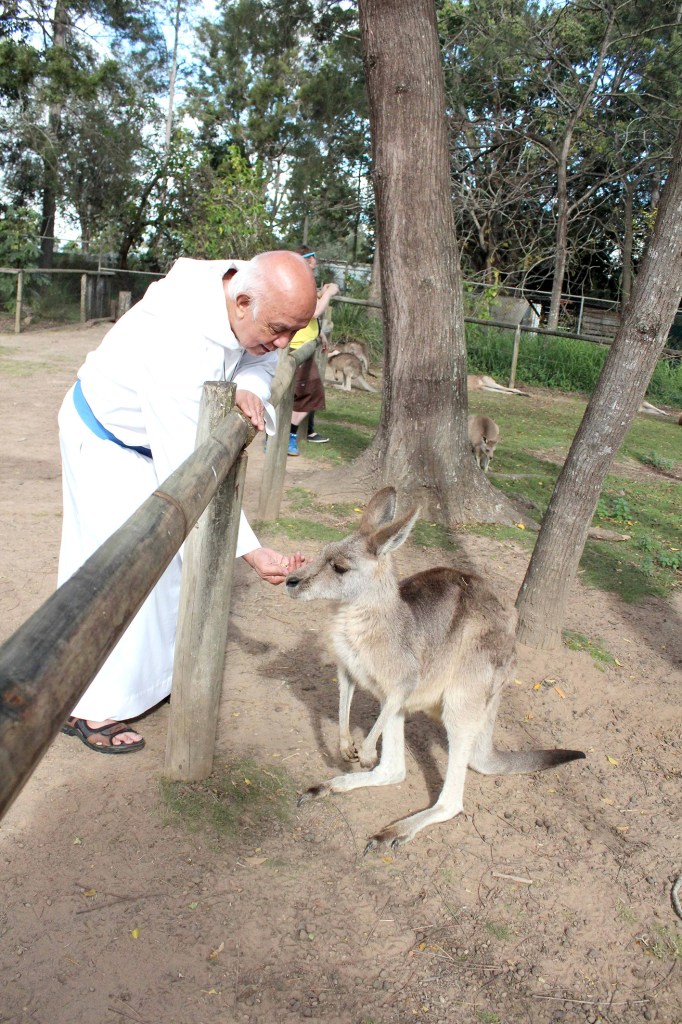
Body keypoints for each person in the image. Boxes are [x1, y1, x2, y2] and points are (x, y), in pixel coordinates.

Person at [58, 250, 317, 754]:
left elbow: (263, 358)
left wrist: (246, 385)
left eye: (294, 331)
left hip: (151, 442)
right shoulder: (174, 338)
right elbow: (190, 464)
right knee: (118, 569)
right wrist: (252, 551)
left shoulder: (244, 292)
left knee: (169, 569)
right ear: (241, 302)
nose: (284, 342)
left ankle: (146, 683)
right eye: (279, 327)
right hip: (108, 444)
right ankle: (90, 707)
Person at [287, 247, 340, 456]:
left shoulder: (302, 281)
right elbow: (315, 310)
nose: (315, 263)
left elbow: (310, 311)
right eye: (312, 259)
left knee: (307, 393)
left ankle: (293, 434)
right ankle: (289, 437)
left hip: (303, 345)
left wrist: (319, 333)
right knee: (308, 394)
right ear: (305, 261)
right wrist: (329, 292)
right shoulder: (299, 281)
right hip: (297, 347)